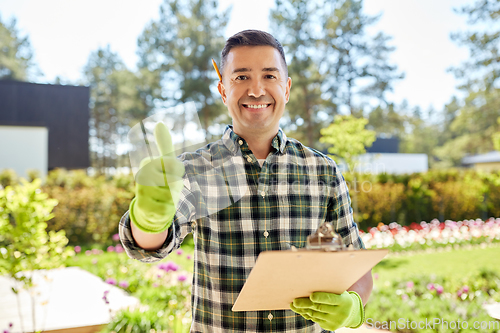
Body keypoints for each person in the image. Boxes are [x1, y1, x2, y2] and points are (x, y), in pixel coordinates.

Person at [119, 29, 373, 333]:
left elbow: (355, 263)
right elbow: (149, 247)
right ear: (223, 90)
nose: (256, 90)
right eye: (241, 77)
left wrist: (354, 304)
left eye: (269, 76)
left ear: (287, 88)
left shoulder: (324, 171)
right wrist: (149, 218)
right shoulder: (194, 170)